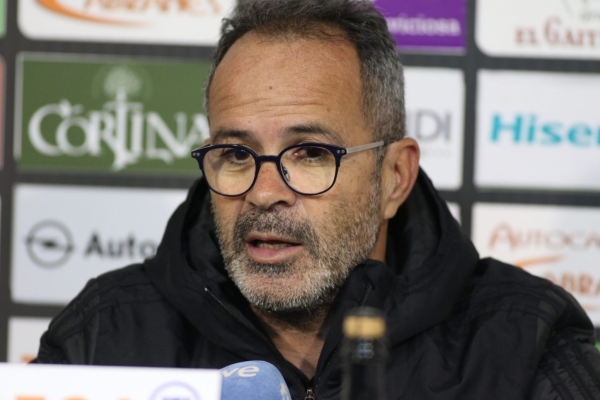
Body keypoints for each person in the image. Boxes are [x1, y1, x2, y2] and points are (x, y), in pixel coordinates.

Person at [34, 0, 600, 398]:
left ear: (394, 178)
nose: (264, 192)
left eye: (309, 153)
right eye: (235, 153)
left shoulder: (525, 344)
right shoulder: (103, 336)